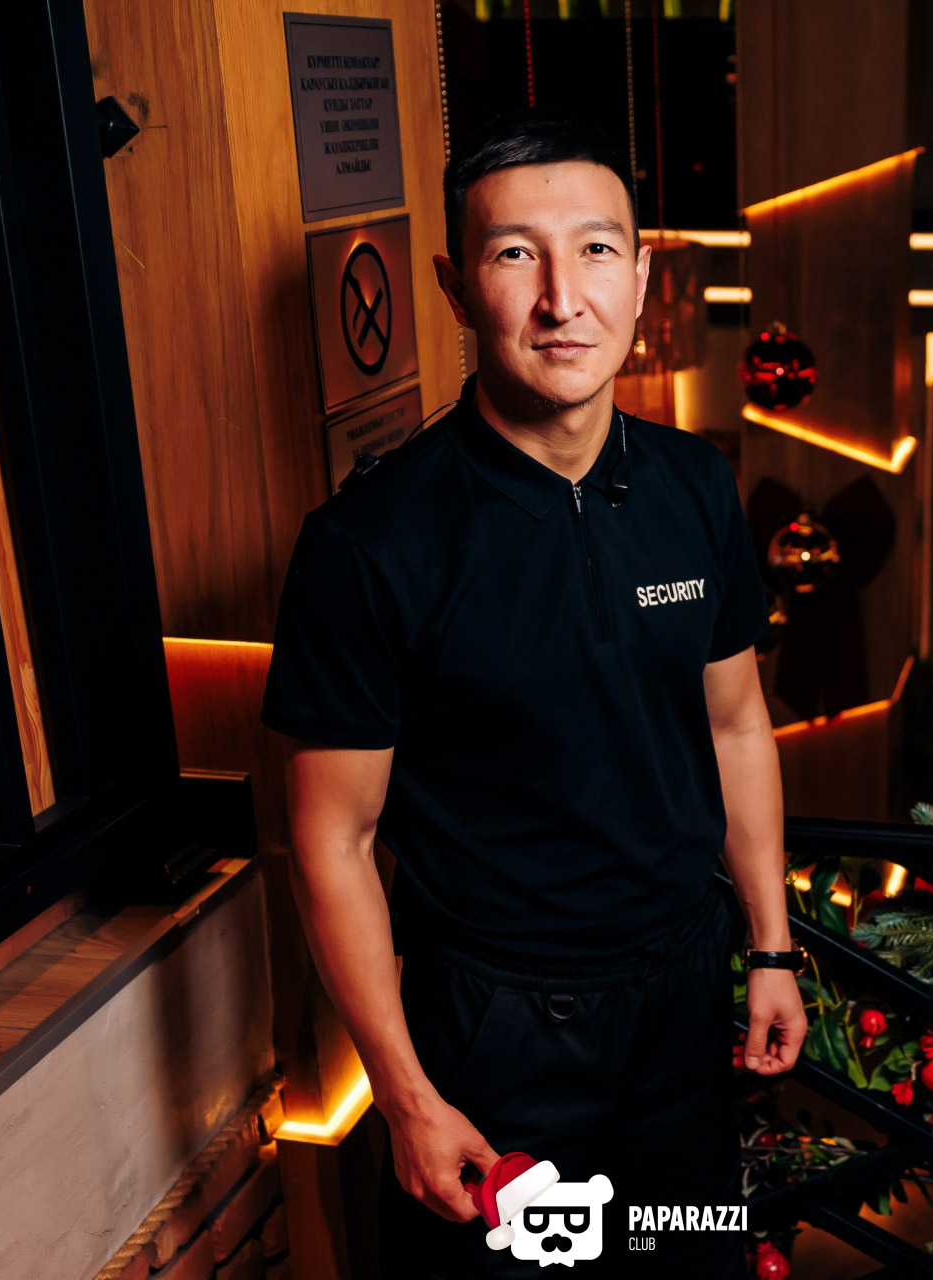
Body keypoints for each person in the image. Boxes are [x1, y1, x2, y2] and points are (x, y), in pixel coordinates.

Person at [261, 113, 806, 1278]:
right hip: (496, 1035)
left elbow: (734, 723)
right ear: (458, 287)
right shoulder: (370, 542)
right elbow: (332, 840)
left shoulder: (695, 484)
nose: (563, 298)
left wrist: (770, 946)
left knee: (688, 1259)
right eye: (516, 254)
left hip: (682, 1000)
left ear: (642, 275)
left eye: (596, 250)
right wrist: (406, 1095)